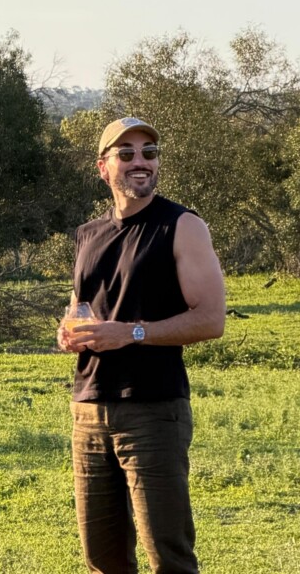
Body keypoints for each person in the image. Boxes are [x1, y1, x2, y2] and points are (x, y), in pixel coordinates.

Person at [57, 117, 226, 574]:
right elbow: (82, 304)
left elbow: (211, 320)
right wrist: (69, 329)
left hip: (153, 409)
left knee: (167, 555)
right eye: (126, 153)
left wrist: (130, 332)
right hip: (88, 409)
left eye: (149, 153)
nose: (140, 161)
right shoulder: (88, 234)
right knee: (102, 558)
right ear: (103, 167)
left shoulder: (182, 225)